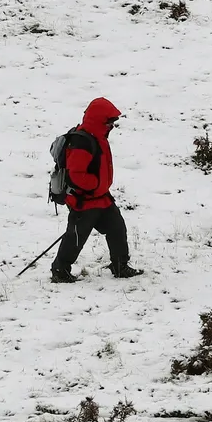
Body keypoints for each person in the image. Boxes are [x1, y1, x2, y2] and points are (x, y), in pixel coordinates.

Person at [50, 97, 143, 283]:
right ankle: (60, 271)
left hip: (101, 198)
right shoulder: (83, 142)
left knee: (117, 228)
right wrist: (94, 185)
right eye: (110, 122)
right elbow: (76, 174)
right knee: (75, 237)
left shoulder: (97, 137)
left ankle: (120, 266)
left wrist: (100, 187)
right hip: (84, 201)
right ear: (100, 120)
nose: (112, 126)